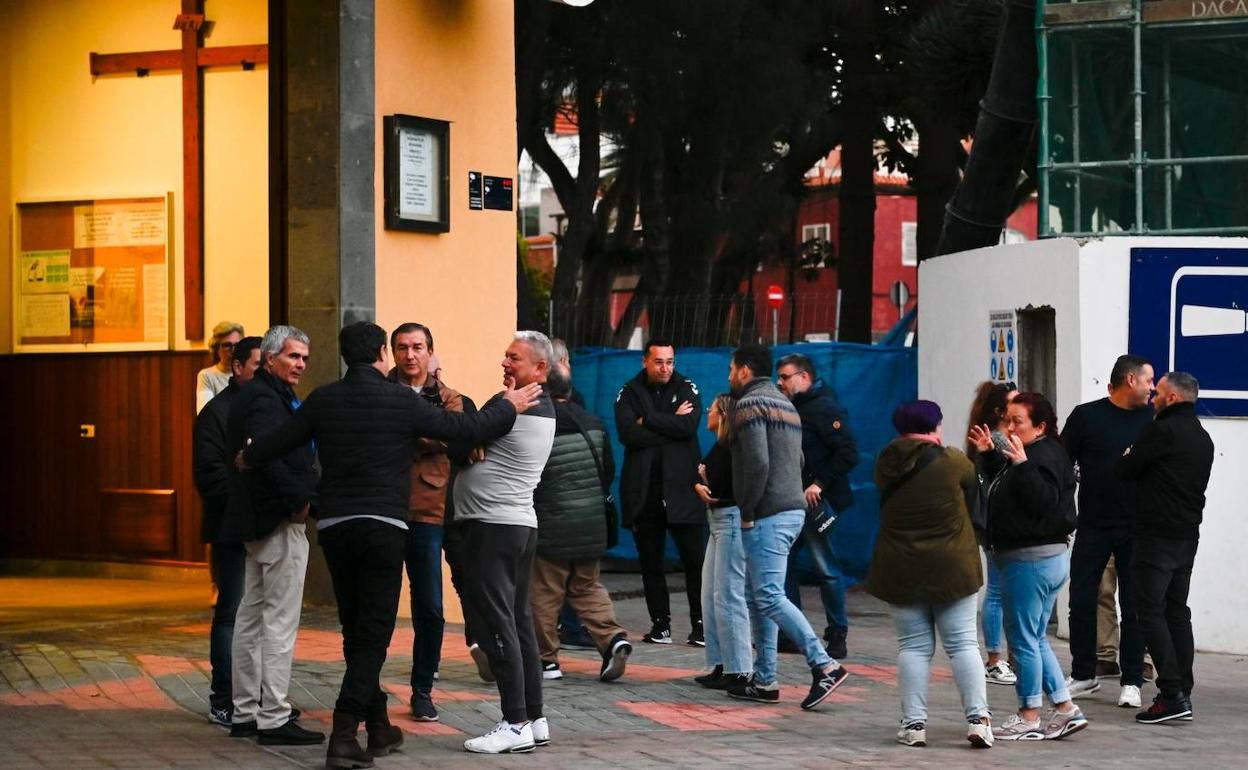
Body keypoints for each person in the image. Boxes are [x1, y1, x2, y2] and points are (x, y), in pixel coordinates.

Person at [242, 322, 540, 767]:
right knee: (374, 635)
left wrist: (247, 456)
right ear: (382, 353)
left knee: (356, 629)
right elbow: (466, 428)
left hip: (338, 529)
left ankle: (378, 725)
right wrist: (508, 405)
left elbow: (275, 443)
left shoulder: (325, 399)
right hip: (384, 527)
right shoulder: (401, 400)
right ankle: (345, 732)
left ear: (345, 356)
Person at [724, 344, 849, 710]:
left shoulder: (749, 405)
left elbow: (757, 462)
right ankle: (765, 680)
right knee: (762, 595)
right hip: (792, 509)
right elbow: (797, 459)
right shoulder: (787, 405)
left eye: (732, 369)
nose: (730, 376)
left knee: (766, 596)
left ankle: (824, 665)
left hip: (768, 512)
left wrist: (746, 506)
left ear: (745, 371)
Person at [452, 331, 557, 754]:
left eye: (514, 358)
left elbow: (460, 438)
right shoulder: (538, 406)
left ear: (540, 369)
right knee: (518, 623)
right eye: (506, 356)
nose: (505, 363)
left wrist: (482, 426)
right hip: (515, 525)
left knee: (498, 623)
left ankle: (514, 724)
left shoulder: (513, 404)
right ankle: (534, 717)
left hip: (493, 526)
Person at [218, 325, 322, 746]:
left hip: (259, 521)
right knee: (277, 623)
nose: (300, 364)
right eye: (293, 356)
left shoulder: (260, 395)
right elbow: (262, 453)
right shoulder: (266, 399)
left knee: (250, 620)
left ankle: (245, 712)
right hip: (276, 521)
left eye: (304, 359)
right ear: (272, 356)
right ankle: (273, 716)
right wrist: (302, 501)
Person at [869, 400, 993, 749]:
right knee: (963, 644)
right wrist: (982, 454)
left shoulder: (885, 462)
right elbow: (973, 488)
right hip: (952, 567)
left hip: (900, 568)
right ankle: (979, 721)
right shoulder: (952, 461)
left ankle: (914, 725)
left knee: (913, 647)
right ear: (935, 425)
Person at [972, 393, 1086, 741]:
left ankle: (1030, 714)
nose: (1009, 427)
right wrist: (991, 454)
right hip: (1032, 559)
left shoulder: (1044, 455)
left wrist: (1021, 466)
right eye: (1007, 419)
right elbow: (1006, 487)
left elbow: (1043, 502)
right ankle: (1066, 709)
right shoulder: (1027, 451)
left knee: (1022, 640)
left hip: (1032, 560)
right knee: (1034, 638)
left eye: (1017, 421)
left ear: (1040, 426)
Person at [1116, 371, 1214, 724]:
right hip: (1187, 536)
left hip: (1155, 537)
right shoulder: (1203, 437)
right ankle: (1182, 690)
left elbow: (1126, 468)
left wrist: (1129, 453)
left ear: (1172, 398)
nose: (1152, 398)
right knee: (1176, 611)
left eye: (1158, 393)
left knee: (1150, 611)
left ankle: (1171, 694)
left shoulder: (1161, 430)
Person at [1061, 355, 1155, 709]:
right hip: (1093, 523)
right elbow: (1061, 463)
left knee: (1134, 604)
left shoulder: (1153, 419)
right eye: (1149, 380)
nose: (1153, 387)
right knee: (1082, 598)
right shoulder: (1086, 416)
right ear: (1130, 380)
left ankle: (1131, 679)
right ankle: (1084, 673)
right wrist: (1062, 511)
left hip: (1138, 526)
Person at [529, 366, 632, 683]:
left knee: (545, 592)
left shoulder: (539, 424)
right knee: (586, 587)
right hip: (591, 524)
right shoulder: (594, 422)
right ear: (570, 391)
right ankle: (613, 639)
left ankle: (547, 661)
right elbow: (607, 473)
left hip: (552, 525)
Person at [386, 322, 465, 722]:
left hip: (429, 512)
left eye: (418, 347)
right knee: (376, 605)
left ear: (430, 352)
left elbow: (453, 436)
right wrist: (425, 432)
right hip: (384, 505)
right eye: (402, 347)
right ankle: (367, 686)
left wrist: (407, 431)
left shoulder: (449, 397)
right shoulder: (381, 391)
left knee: (430, 607)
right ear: (392, 352)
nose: (410, 354)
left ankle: (423, 688)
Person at [615, 339, 705, 646]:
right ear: (645, 361)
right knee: (651, 563)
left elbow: (688, 427)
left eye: (670, 361)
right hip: (645, 493)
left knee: (695, 562)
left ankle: (701, 626)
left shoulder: (688, 387)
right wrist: (670, 421)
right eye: (659, 362)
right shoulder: (628, 392)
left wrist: (649, 419)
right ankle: (660, 626)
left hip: (684, 491)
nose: (665, 368)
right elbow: (627, 433)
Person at [193, 335, 262, 727]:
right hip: (231, 526)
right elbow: (208, 474)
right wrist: (246, 506)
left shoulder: (267, 406)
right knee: (232, 614)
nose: (265, 372)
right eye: (257, 365)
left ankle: (259, 697)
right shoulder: (217, 412)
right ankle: (224, 698)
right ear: (237, 368)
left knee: (262, 616)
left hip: (263, 527)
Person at [775, 353, 858, 659]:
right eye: (779, 377)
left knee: (827, 570)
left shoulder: (823, 407)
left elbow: (848, 452)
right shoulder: (791, 406)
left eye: (785, 377)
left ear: (804, 377)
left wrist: (818, 484)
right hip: (790, 501)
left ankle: (837, 634)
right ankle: (792, 632)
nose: (780, 383)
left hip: (817, 503)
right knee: (783, 566)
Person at [692, 393, 752, 691]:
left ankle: (739, 667)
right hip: (717, 518)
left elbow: (731, 485)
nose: (707, 413)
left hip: (729, 518)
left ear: (724, 414)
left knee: (727, 593)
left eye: (712, 410)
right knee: (711, 594)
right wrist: (700, 484)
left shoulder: (733, 447)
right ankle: (720, 662)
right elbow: (704, 474)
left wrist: (707, 486)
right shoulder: (719, 446)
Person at [964, 381, 1017, 686]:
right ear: (999, 410)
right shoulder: (997, 440)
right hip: (997, 523)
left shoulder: (992, 436)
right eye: (1012, 403)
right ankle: (995, 658)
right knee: (998, 590)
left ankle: (1004, 657)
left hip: (996, 523)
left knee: (1001, 590)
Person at [197, 321, 244, 413]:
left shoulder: (248, 373)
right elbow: (205, 412)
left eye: (237, 345)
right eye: (227, 345)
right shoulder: (207, 375)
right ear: (216, 348)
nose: (233, 350)